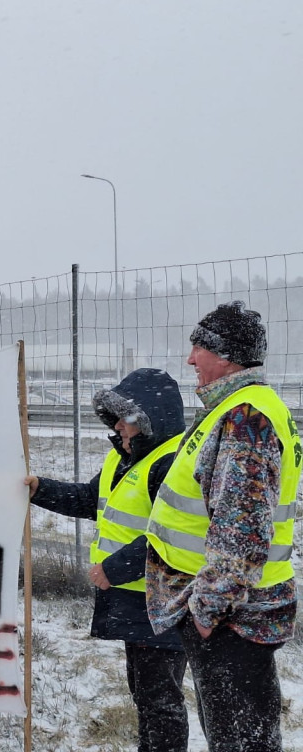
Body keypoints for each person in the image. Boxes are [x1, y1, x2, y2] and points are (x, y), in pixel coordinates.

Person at [145, 301, 300, 751]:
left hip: (233, 617)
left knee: (240, 740)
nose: (190, 358)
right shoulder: (238, 408)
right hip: (234, 613)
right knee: (240, 734)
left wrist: (209, 611)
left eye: (199, 347)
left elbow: (242, 529)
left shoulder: (245, 417)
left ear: (227, 355)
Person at [26, 367, 189, 752]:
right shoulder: (127, 458)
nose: (117, 426)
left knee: (161, 700)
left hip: (161, 598)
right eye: (114, 417)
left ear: (149, 418)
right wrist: (40, 489)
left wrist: (114, 569)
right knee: (146, 695)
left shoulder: (171, 464)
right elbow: (90, 500)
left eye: (124, 418)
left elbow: (173, 536)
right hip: (136, 597)